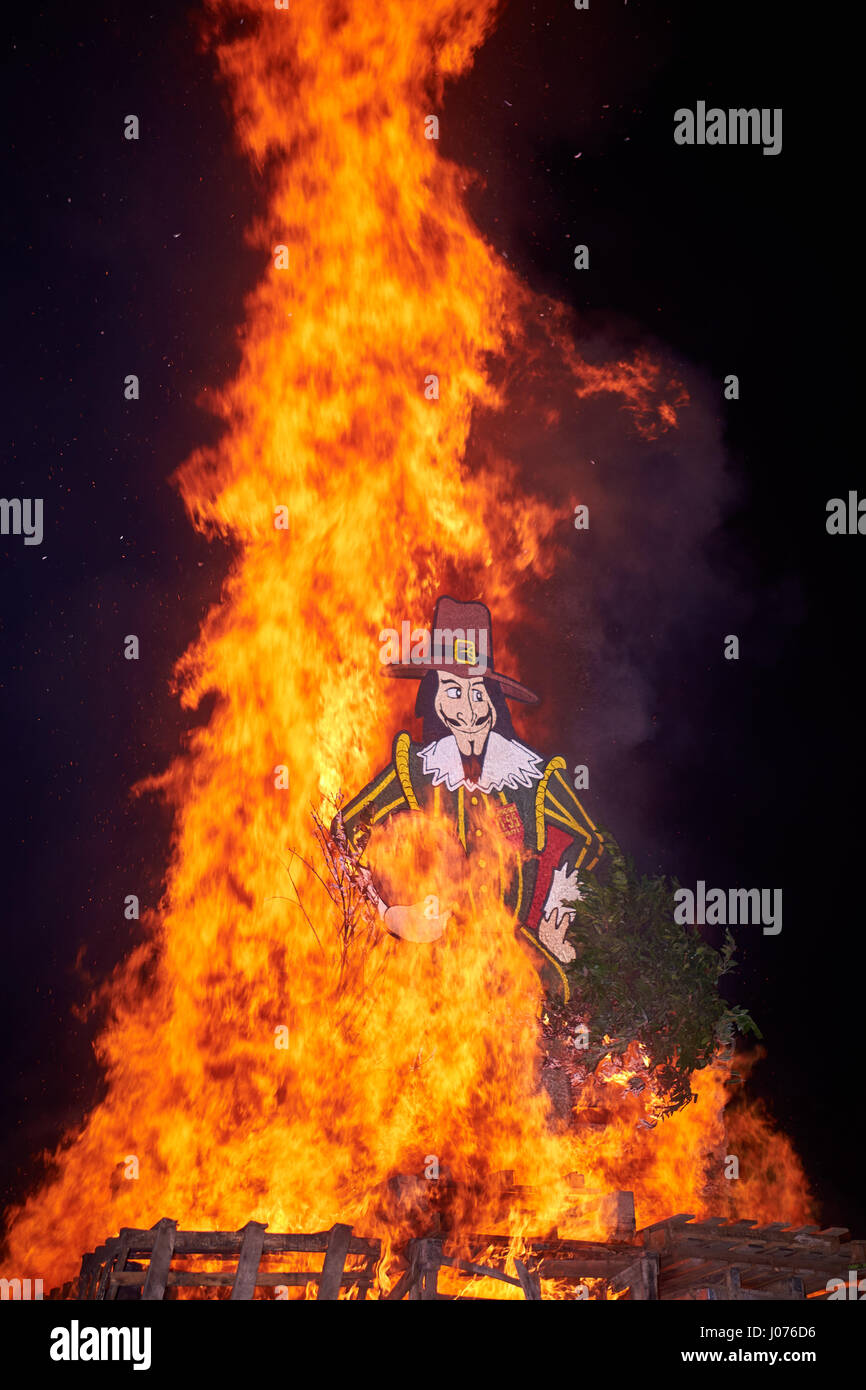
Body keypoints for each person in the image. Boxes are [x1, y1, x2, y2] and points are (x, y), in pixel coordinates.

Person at [332, 596, 608, 1003]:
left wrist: (561, 909)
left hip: (522, 976)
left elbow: (591, 844)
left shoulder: (533, 777)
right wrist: (389, 912)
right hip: (431, 979)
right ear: (434, 701)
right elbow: (340, 835)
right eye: (452, 692)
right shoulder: (417, 771)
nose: (468, 710)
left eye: (478, 693)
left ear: (495, 702)